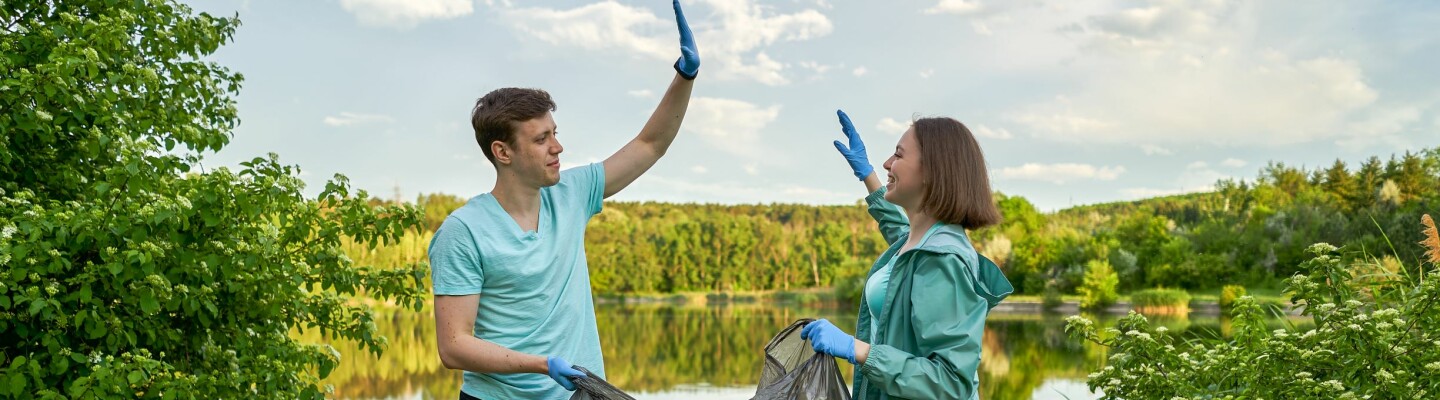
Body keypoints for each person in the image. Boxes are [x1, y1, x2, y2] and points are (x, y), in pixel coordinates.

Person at [427, 1, 700, 398]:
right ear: (503, 152)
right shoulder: (464, 232)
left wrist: (685, 76)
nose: (558, 147)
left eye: (555, 133)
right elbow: (454, 346)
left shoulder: (571, 193)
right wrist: (540, 364)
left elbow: (650, 144)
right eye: (541, 139)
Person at [801, 110, 1015, 399]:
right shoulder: (917, 241)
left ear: (932, 171)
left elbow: (950, 383)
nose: (887, 162)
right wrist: (869, 177)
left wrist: (857, 350)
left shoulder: (943, 259)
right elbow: (898, 230)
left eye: (898, 156)